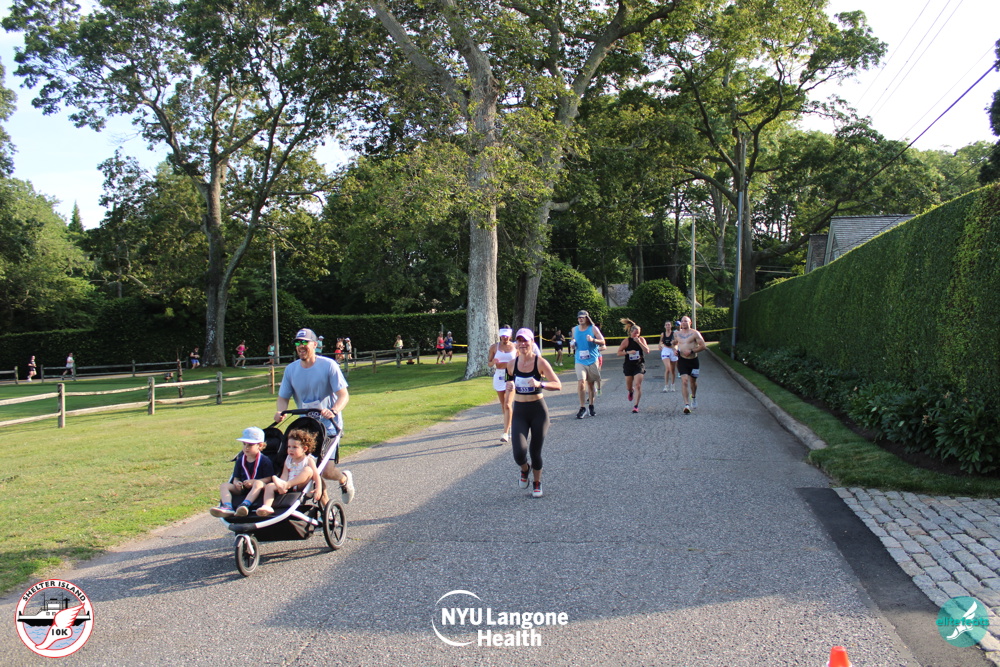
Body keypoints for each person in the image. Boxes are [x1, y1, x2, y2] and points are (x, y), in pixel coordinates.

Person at [275, 328, 355, 503]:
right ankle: (327, 511)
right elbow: (283, 398)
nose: (301, 346)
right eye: (298, 343)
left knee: (326, 471)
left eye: (305, 342)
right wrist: (280, 412)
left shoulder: (328, 365)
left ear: (314, 344)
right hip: (306, 427)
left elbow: (343, 395)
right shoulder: (291, 370)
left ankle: (343, 479)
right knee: (310, 469)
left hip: (329, 426)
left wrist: (333, 410)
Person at [505, 328, 561, 498]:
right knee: (519, 453)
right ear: (516, 343)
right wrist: (509, 388)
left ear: (532, 342)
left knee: (535, 452)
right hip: (520, 412)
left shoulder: (540, 362)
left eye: (525, 341)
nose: (522, 344)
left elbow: (557, 384)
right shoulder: (511, 364)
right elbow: (509, 385)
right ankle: (525, 469)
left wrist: (540, 384)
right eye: (519, 341)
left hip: (538, 411)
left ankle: (537, 482)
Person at [210, 427, 276, 518]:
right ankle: (227, 507)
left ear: (260, 445)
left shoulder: (265, 460)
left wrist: (253, 481)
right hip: (243, 488)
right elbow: (236, 477)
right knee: (224, 485)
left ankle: (244, 505)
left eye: (250, 445)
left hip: (259, 488)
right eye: (244, 444)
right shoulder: (240, 460)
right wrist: (237, 483)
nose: (246, 447)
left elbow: (269, 478)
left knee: (258, 483)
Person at [256, 428, 322, 516]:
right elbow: (285, 474)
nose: (290, 449)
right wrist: (281, 484)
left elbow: (316, 476)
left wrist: (318, 489)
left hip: (300, 485)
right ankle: (267, 506)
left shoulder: (308, 460)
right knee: (269, 486)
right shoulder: (288, 459)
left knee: (308, 470)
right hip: (287, 485)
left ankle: (286, 485)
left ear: (304, 449)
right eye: (289, 447)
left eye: (294, 447)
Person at [570, 311, 605, 418]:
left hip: (592, 360)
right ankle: (582, 407)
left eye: (582, 317)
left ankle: (591, 405)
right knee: (581, 382)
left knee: (590, 384)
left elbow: (603, 342)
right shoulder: (574, 329)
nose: (580, 319)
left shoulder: (593, 328)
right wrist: (573, 344)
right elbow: (573, 341)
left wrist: (593, 340)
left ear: (587, 318)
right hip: (579, 360)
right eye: (579, 318)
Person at [487, 325, 517, 442]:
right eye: (503, 336)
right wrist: (493, 362)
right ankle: (510, 425)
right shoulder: (494, 347)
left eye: (507, 336)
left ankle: (505, 432)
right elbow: (489, 363)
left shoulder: (515, 347)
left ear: (510, 335)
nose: (505, 338)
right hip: (499, 375)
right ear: (500, 335)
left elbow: (520, 360)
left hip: (510, 375)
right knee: (504, 404)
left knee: (508, 404)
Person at [676, 316, 707, 414]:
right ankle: (686, 405)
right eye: (682, 321)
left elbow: (703, 346)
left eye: (686, 321)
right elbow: (674, 343)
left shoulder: (695, 333)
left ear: (690, 323)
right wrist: (675, 350)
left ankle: (693, 396)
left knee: (693, 382)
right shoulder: (677, 334)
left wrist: (692, 351)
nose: (683, 323)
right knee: (684, 381)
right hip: (682, 360)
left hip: (693, 360)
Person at [617, 318, 649, 413]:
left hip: (639, 365)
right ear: (631, 332)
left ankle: (636, 406)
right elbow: (618, 353)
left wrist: (639, 342)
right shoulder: (626, 341)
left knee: (638, 385)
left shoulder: (641, 339)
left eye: (638, 333)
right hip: (628, 365)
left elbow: (647, 351)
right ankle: (631, 391)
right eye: (635, 333)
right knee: (629, 387)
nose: (637, 335)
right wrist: (628, 352)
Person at [659, 320, 678, 392]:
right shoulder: (663, 334)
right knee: (668, 368)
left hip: (672, 350)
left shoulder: (674, 333)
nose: (668, 326)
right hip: (665, 350)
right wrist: (659, 345)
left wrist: (674, 342)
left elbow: (677, 342)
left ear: (671, 326)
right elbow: (661, 341)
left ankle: (673, 385)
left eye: (669, 325)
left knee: (673, 370)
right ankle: (666, 386)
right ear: (664, 326)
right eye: (666, 325)